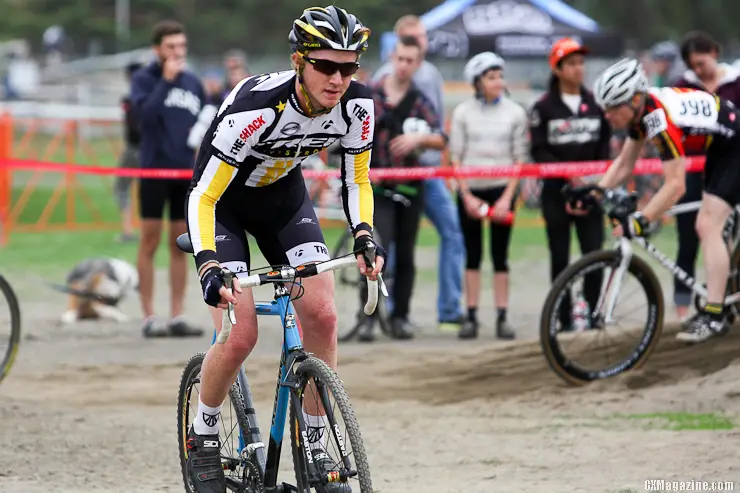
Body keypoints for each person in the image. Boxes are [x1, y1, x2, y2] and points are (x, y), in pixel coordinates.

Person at [182, 6, 385, 492]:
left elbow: (356, 177)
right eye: (326, 66)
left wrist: (363, 232)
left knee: (324, 315)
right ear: (299, 61)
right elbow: (203, 195)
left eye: (349, 66)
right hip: (223, 207)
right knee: (241, 333)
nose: (338, 78)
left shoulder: (358, 107)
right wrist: (209, 262)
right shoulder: (255, 107)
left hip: (282, 203)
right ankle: (203, 433)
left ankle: (315, 443)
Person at [592, 57, 740, 344]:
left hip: (735, 146)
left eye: (613, 108)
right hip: (721, 148)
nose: (607, 115)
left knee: (707, 225)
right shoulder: (641, 113)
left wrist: (642, 219)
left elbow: (676, 185)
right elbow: (624, 164)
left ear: (634, 100)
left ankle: (715, 314)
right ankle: (722, 290)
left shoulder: (658, 118)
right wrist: (594, 192)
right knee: (711, 222)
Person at [372, 15, 467, 332]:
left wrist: (419, 140)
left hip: (422, 174)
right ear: (394, 49)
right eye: (412, 38)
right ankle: (375, 315)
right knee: (382, 247)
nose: (418, 45)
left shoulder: (429, 81)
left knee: (447, 234)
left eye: (423, 38)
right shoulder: (376, 87)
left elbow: (439, 131)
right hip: (383, 180)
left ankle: (443, 311)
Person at [356, 35, 447, 342]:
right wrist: (367, 170)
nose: (404, 65)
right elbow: (353, 135)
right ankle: (367, 316)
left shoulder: (420, 100)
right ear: (392, 58)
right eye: (400, 59)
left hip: (411, 189)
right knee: (374, 251)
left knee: (406, 256)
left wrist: (418, 140)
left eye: (411, 60)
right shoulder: (372, 96)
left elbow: (441, 138)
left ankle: (400, 317)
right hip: (378, 190)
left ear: (418, 63)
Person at [529, 38, 611, 331]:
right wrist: (567, 174)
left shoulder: (596, 105)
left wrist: (593, 180)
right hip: (556, 193)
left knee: (594, 253)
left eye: (581, 62)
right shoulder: (543, 108)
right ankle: (561, 317)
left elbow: (604, 147)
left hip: (591, 191)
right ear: (557, 68)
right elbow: (538, 150)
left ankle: (594, 312)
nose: (579, 69)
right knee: (560, 256)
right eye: (572, 63)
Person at [131, 20, 205, 338]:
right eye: (171, 46)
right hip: (152, 170)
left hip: (184, 172)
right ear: (157, 49)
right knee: (149, 241)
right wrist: (165, 81)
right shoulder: (144, 79)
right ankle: (149, 315)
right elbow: (142, 119)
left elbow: (205, 119)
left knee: (180, 243)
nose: (178, 52)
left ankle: (177, 313)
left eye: (182, 46)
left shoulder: (193, 82)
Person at [450, 52, 528, 340]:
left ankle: (502, 316)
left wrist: (507, 199)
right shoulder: (462, 113)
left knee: (500, 256)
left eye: (500, 76)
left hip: (501, 189)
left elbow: (519, 161)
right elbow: (455, 159)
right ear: (477, 82)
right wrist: (467, 196)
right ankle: (470, 316)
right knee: (472, 255)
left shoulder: (515, 112)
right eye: (491, 77)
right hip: (471, 189)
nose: (498, 82)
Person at [672, 31, 740, 324]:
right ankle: (684, 309)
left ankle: (718, 306)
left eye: (702, 62)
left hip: (731, 164)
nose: (699, 70)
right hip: (693, 171)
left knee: (718, 231)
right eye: (693, 65)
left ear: (714, 51)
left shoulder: (735, 81)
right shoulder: (683, 86)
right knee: (689, 239)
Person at [114, 61, 142, 243]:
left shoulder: (130, 100)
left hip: (134, 149)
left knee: (121, 188)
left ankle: (127, 230)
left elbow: (133, 127)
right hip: (150, 151)